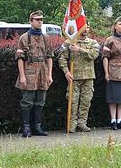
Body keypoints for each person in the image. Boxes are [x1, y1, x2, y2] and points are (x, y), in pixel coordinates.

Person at [15, 10, 54, 138]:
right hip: (29, 71)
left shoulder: (46, 38)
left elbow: (49, 57)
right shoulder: (24, 38)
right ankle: (26, 127)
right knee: (27, 101)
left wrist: (49, 75)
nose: (40, 22)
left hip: (43, 71)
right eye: (37, 20)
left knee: (40, 101)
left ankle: (37, 126)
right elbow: (20, 58)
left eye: (41, 19)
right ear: (30, 21)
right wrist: (22, 75)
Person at [58, 27, 100, 133]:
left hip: (88, 77)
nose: (85, 30)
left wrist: (79, 49)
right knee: (73, 101)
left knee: (86, 101)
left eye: (87, 27)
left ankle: (82, 123)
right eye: (83, 28)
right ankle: (72, 124)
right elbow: (62, 58)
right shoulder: (69, 42)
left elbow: (94, 54)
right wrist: (66, 71)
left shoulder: (93, 42)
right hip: (74, 77)